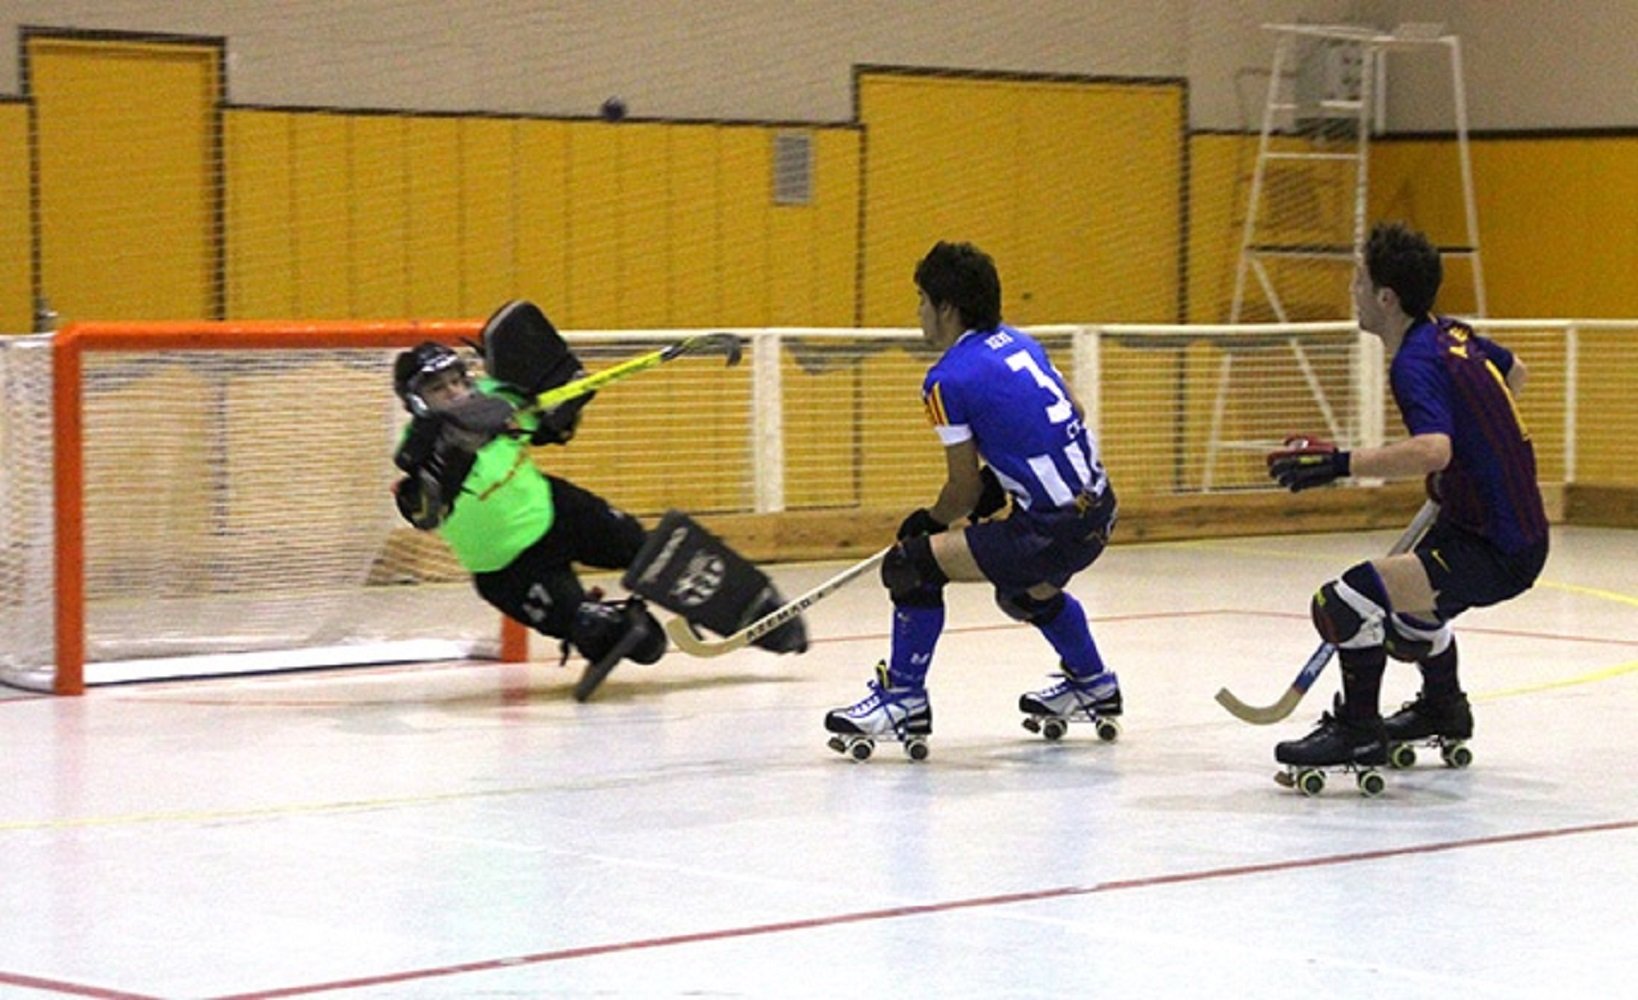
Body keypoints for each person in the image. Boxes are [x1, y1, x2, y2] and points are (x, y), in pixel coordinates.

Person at [1266, 221, 1549, 774]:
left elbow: (1434, 449)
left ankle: (1359, 731)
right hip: (1496, 524)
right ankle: (1444, 710)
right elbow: (1516, 373)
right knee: (1409, 624)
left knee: (1345, 600)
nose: (1353, 292)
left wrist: (1341, 463)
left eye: (1358, 282)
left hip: (1496, 544)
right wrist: (1479, 459)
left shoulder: (1414, 362)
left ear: (1385, 298)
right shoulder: (1452, 335)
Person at [823, 241, 1121, 759]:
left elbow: (959, 491)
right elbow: (1072, 412)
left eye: (922, 300)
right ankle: (1093, 684)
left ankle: (903, 698)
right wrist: (1002, 483)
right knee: (1024, 594)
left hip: (1048, 529)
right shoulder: (1020, 343)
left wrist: (931, 521)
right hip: (1098, 511)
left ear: (946, 307)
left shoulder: (946, 379)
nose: (918, 312)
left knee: (910, 567)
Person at [391, 335, 666, 702]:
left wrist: (565, 404)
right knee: (619, 636)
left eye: (457, 380)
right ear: (417, 402)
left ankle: (744, 605)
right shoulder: (420, 450)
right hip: (507, 568)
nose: (454, 392)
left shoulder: (493, 394)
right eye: (439, 389)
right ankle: (606, 621)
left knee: (648, 551)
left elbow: (551, 424)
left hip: (556, 512)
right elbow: (423, 511)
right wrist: (452, 455)